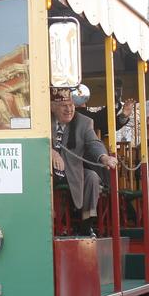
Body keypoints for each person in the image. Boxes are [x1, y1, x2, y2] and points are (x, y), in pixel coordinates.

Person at [50, 88, 118, 236]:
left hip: (73, 171)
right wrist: (52, 153)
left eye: (71, 105)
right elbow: (37, 142)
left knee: (92, 177)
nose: (69, 109)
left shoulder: (84, 122)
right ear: (53, 107)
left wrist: (104, 157)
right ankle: (51, 220)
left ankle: (87, 224)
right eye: (64, 106)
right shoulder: (42, 121)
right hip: (46, 171)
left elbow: (94, 142)